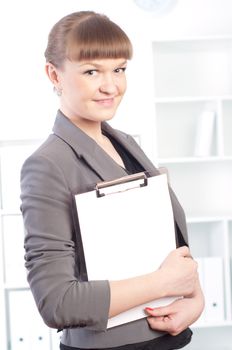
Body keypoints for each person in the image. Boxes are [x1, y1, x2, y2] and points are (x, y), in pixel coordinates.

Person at [20, 11, 204, 350]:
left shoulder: (125, 143)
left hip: (168, 339)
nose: (111, 86)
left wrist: (194, 298)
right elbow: (56, 302)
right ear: (53, 74)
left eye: (119, 69)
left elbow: (164, 241)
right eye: (92, 71)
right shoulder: (47, 165)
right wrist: (163, 284)